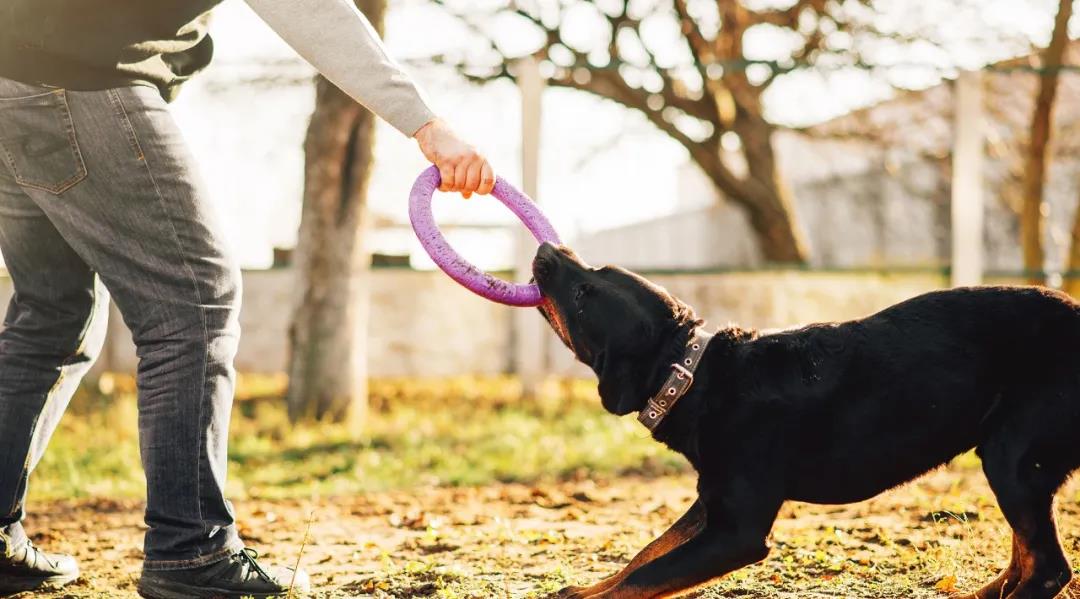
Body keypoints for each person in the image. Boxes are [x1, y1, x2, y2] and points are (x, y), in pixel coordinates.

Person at [0, 1, 494, 596]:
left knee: (53, 310)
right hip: (80, 80)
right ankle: (192, 553)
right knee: (195, 306)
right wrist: (425, 123)